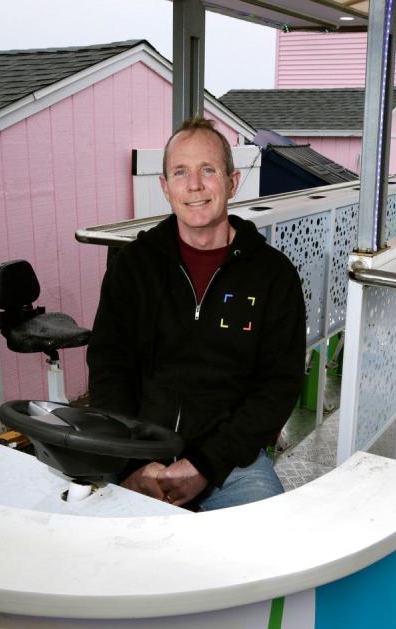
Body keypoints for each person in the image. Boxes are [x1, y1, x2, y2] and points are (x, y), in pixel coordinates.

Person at [86, 115, 307, 511]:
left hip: (231, 465)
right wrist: (133, 463)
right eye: (180, 172)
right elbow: (109, 368)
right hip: (135, 455)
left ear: (232, 182)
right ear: (165, 187)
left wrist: (205, 464)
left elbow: (278, 386)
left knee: (266, 545)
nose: (195, 185)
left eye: (208, 170)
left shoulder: (273, 275)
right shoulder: (133, 267)